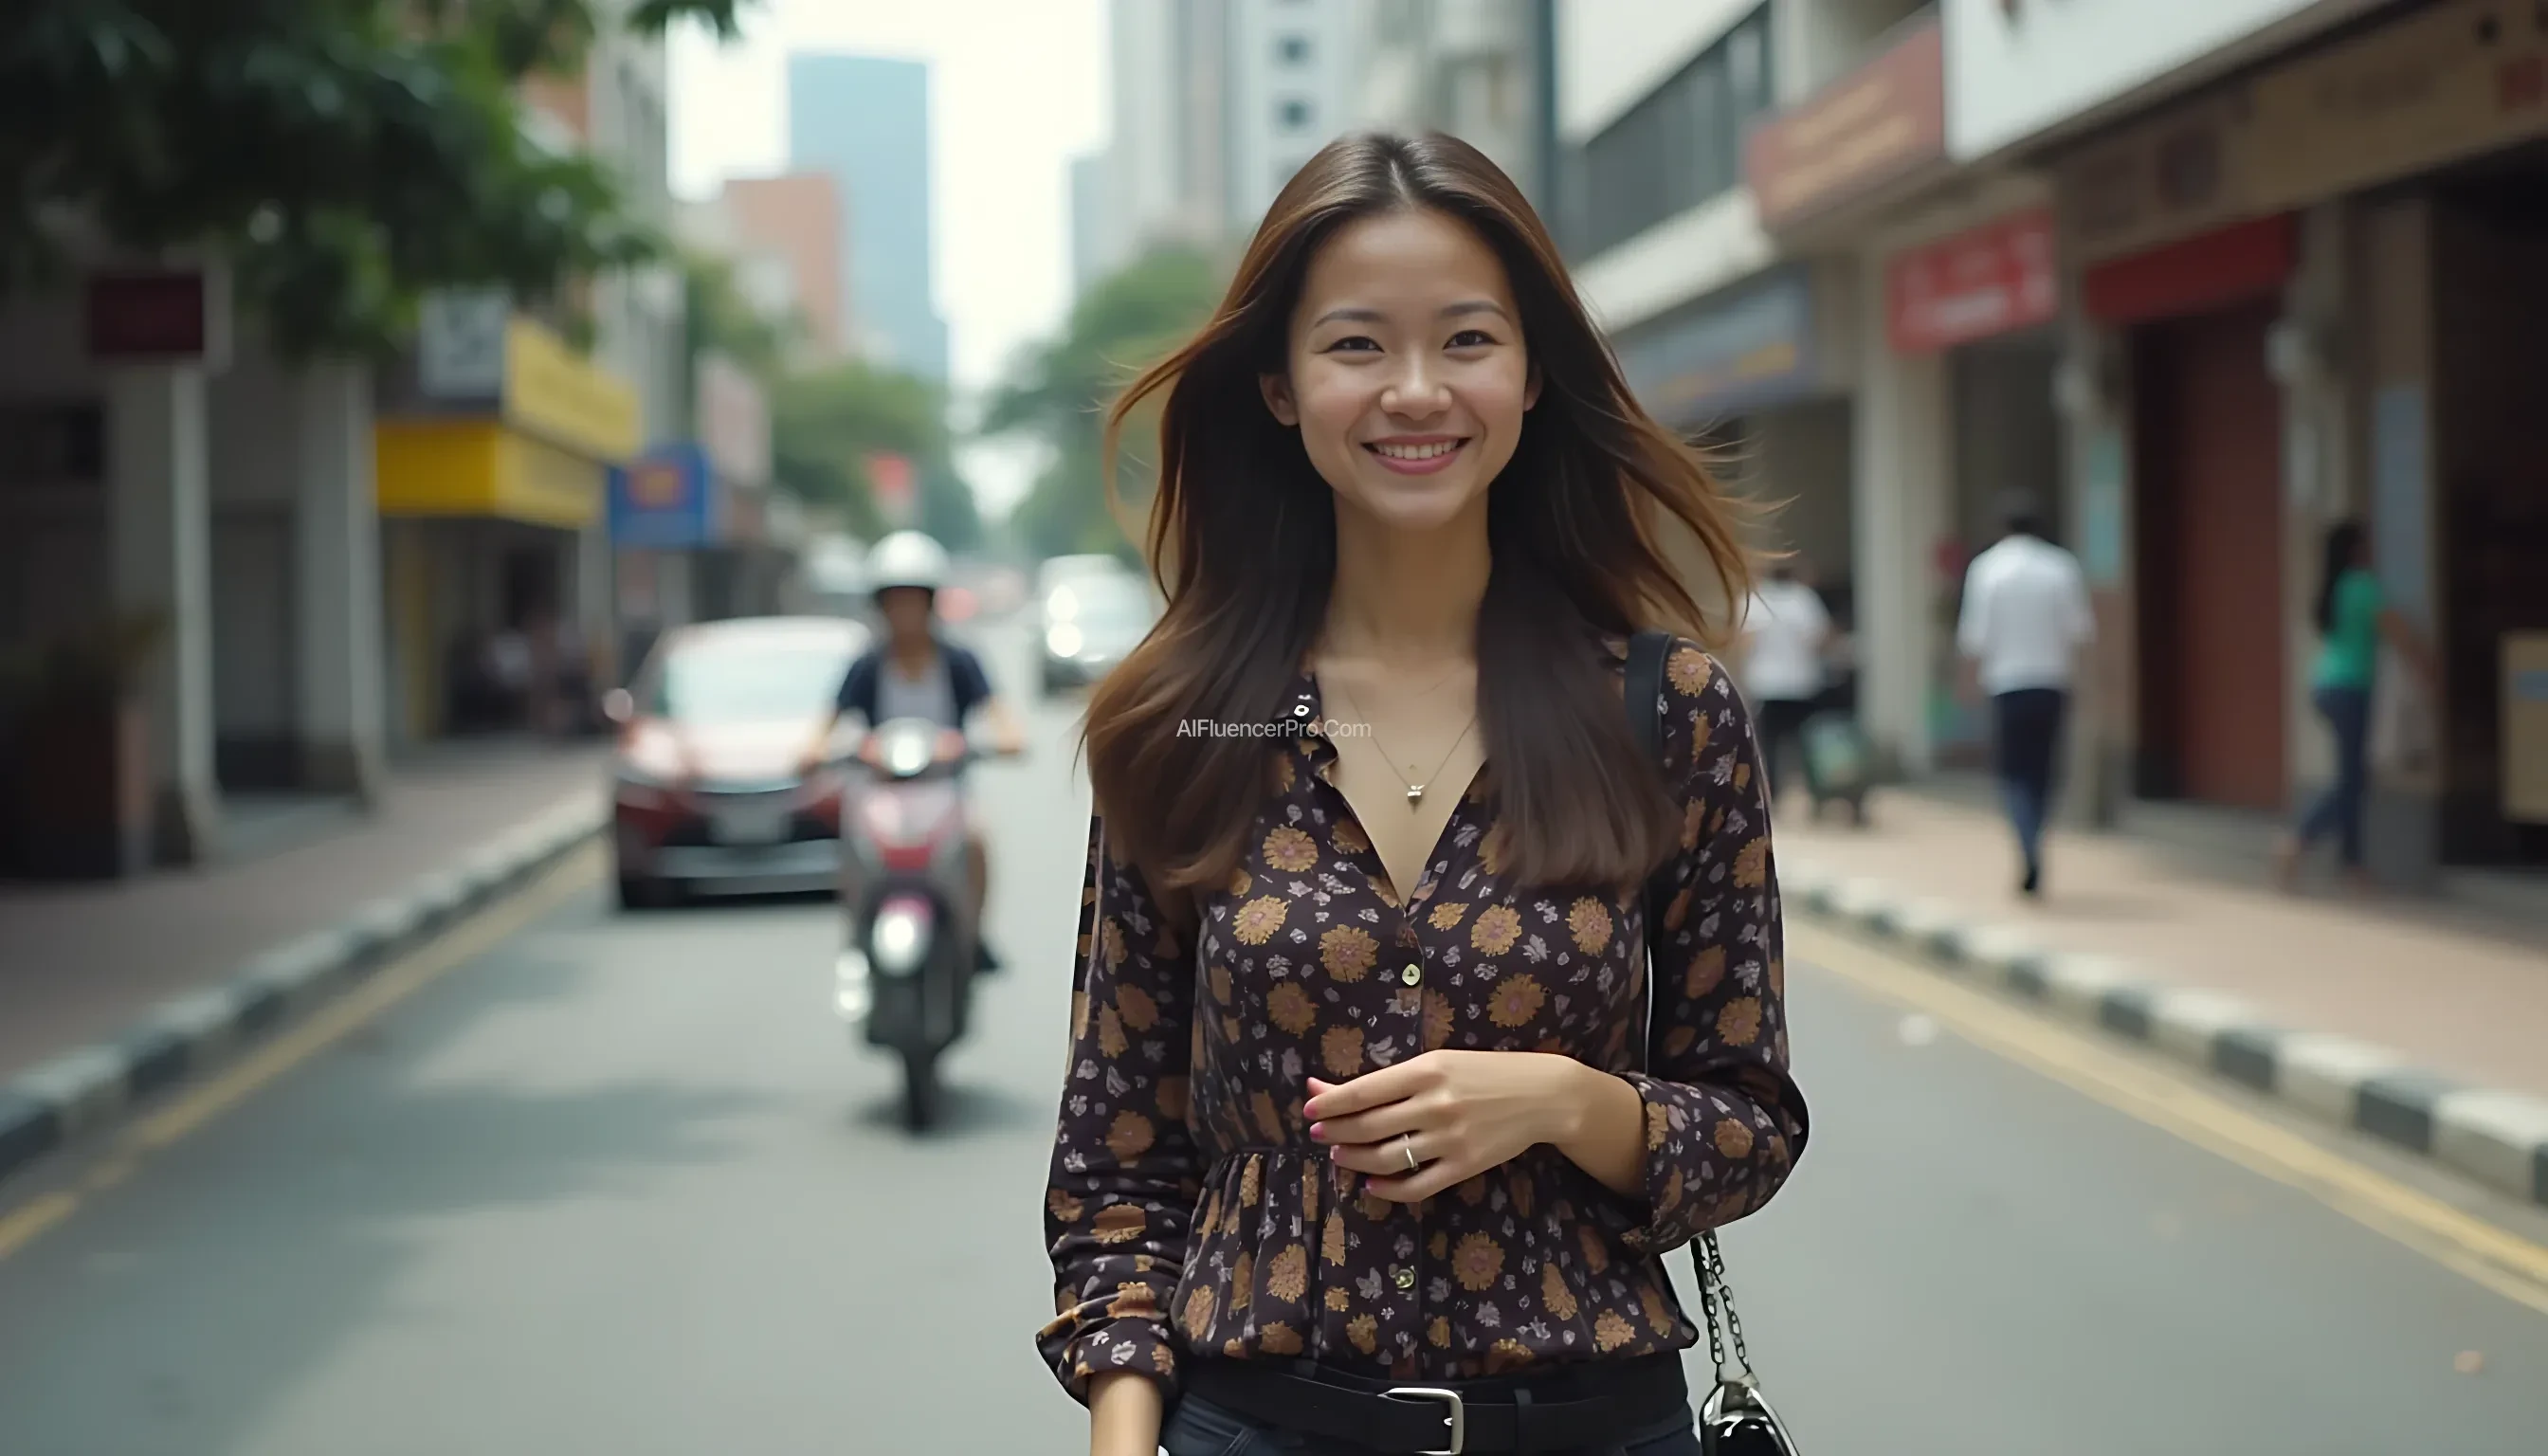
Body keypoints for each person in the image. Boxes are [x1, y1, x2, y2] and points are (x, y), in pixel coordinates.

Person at [1039, 133, 1810, 1456]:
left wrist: (1566, 1102)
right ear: (1279, 385)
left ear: (1527, 375)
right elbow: (1118, 1160)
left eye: (1465, 341)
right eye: (1355, 347)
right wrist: (1124, 1440)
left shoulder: (1664, 711)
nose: (1414, 392)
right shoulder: (1193, 723)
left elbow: (1747, 1122)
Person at [805, 530, 1028, 967]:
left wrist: (982, 743)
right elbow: (823, 728)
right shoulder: (866, 666)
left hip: (946, 791)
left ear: (930, 604)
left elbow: (1005, 722)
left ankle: (973, 936)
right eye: (894, 601)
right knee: (851, 845)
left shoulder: (960, 662)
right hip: (880, 793)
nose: (904, 613)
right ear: (880, 607)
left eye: (913, 600)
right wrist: (824, 750)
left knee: (977, 840)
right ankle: (857, 938)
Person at [2272, 519, 2435, 894]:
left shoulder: (2337, 587)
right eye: (2367, 544)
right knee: (2352, 782)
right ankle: (2300, 839)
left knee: (2353, 780)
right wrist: (2428, 670)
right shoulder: (2364, 586)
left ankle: (2351, 864)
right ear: (2356, 551)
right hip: (2349, 691)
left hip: (2326, 687)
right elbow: (2398, 632)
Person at [1956, 494, 2093, 897]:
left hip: (2007, 685)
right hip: (2052, 682)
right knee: (2044, 771)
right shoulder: (2061, 567)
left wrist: (1967, 686)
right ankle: (2037, 837)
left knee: (2013, 773)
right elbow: (2080, 633)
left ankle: (2027, 843)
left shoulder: (1988, 569)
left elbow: (1974, 638)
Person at [1738, 560, 1832, 810]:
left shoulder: (1755, 601)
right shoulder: (1804, 599)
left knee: (1769, 746)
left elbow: (1745, 643)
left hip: (1766, 684)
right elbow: (1820, 639)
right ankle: (1815, 796)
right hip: (1801, 683)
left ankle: (1773, 797)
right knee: (1805, 744)